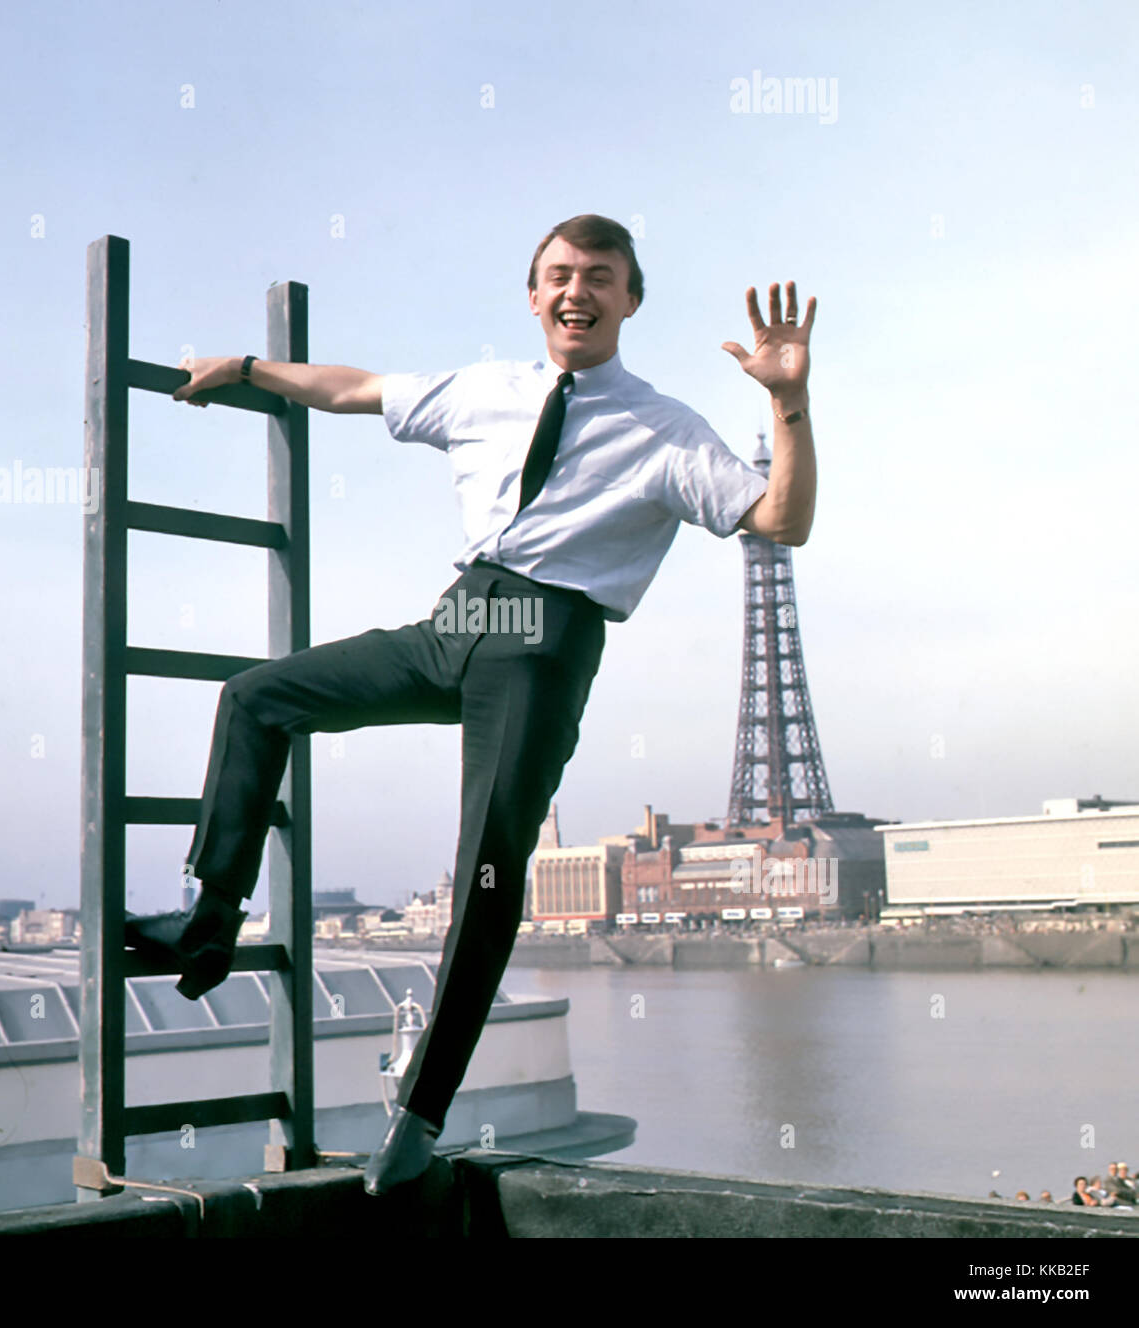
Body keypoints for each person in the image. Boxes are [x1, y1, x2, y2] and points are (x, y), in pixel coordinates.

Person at [123, 214, 817, 1195]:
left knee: (487, 869)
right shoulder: (486, 388)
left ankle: (418, 1116)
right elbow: (355, 390)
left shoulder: (665, 428)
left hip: (543, 642)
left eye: (601, 278)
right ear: (532, 295)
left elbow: (781, 520)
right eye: (559, 275)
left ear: (630, 298)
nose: (577, 291)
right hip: (455, 618)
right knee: (257, 695)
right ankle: (210, 917)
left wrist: (788, 404)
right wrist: (244, 367)